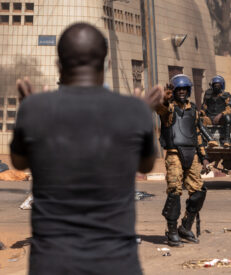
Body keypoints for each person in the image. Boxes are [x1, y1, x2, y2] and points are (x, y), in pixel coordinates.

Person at [11, 23, 160, 275]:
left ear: (59, 65)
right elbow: (145, 166)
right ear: (107, 64)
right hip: (116, 263)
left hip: (52, 264)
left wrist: (30, 111)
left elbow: (18, 162)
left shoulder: (35, 110)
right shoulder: (134, 111)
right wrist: (142, 115)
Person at [154, 74, 210, 247]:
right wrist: (164, 99)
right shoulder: (168, 108)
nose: (182, 92)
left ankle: (185, 227)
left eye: (185, 89)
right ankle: (171, 231)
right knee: (174, 191)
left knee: (199, 191)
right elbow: (160, 109)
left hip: (191, 153)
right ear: (174, 91)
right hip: (174, 154)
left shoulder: (193, 110)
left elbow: (197, 134)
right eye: (179, 89)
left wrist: (204, 157)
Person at [200, 75, 231, 147]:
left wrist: (221, 114)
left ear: (221, 86)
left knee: (228, 117)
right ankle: (208, 140)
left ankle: (227, 140)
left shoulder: (227, 95)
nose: (216, 87)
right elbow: (204, 106)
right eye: (215, 85)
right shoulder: (208, 94)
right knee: (199, 120)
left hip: (221, 118)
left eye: (218, 85)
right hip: (209, 117)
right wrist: (201, 112)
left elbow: (229, 108)